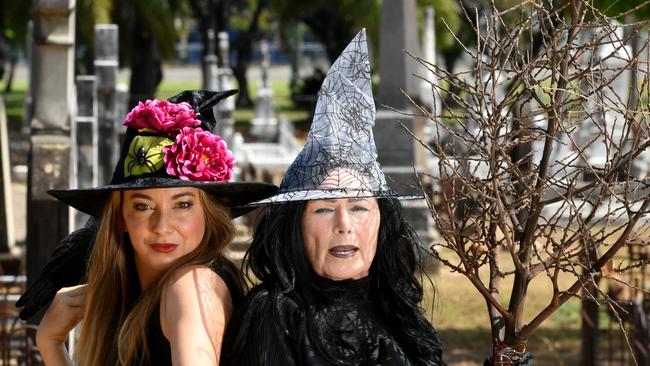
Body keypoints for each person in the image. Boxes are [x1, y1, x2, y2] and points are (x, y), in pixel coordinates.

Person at [225, 30, 445, 365]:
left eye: (358, 206)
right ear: (295, 226)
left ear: (382, 220)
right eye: (324, 209)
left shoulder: (394, 305)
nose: (344, 225)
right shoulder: (275, 312)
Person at [17, 90, 277, 365]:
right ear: (120, 218)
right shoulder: (134, 299)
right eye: (143, 206)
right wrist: (50, 342)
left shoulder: (189, 286)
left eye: (183, 205)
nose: (162, 227)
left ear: (208, 215)